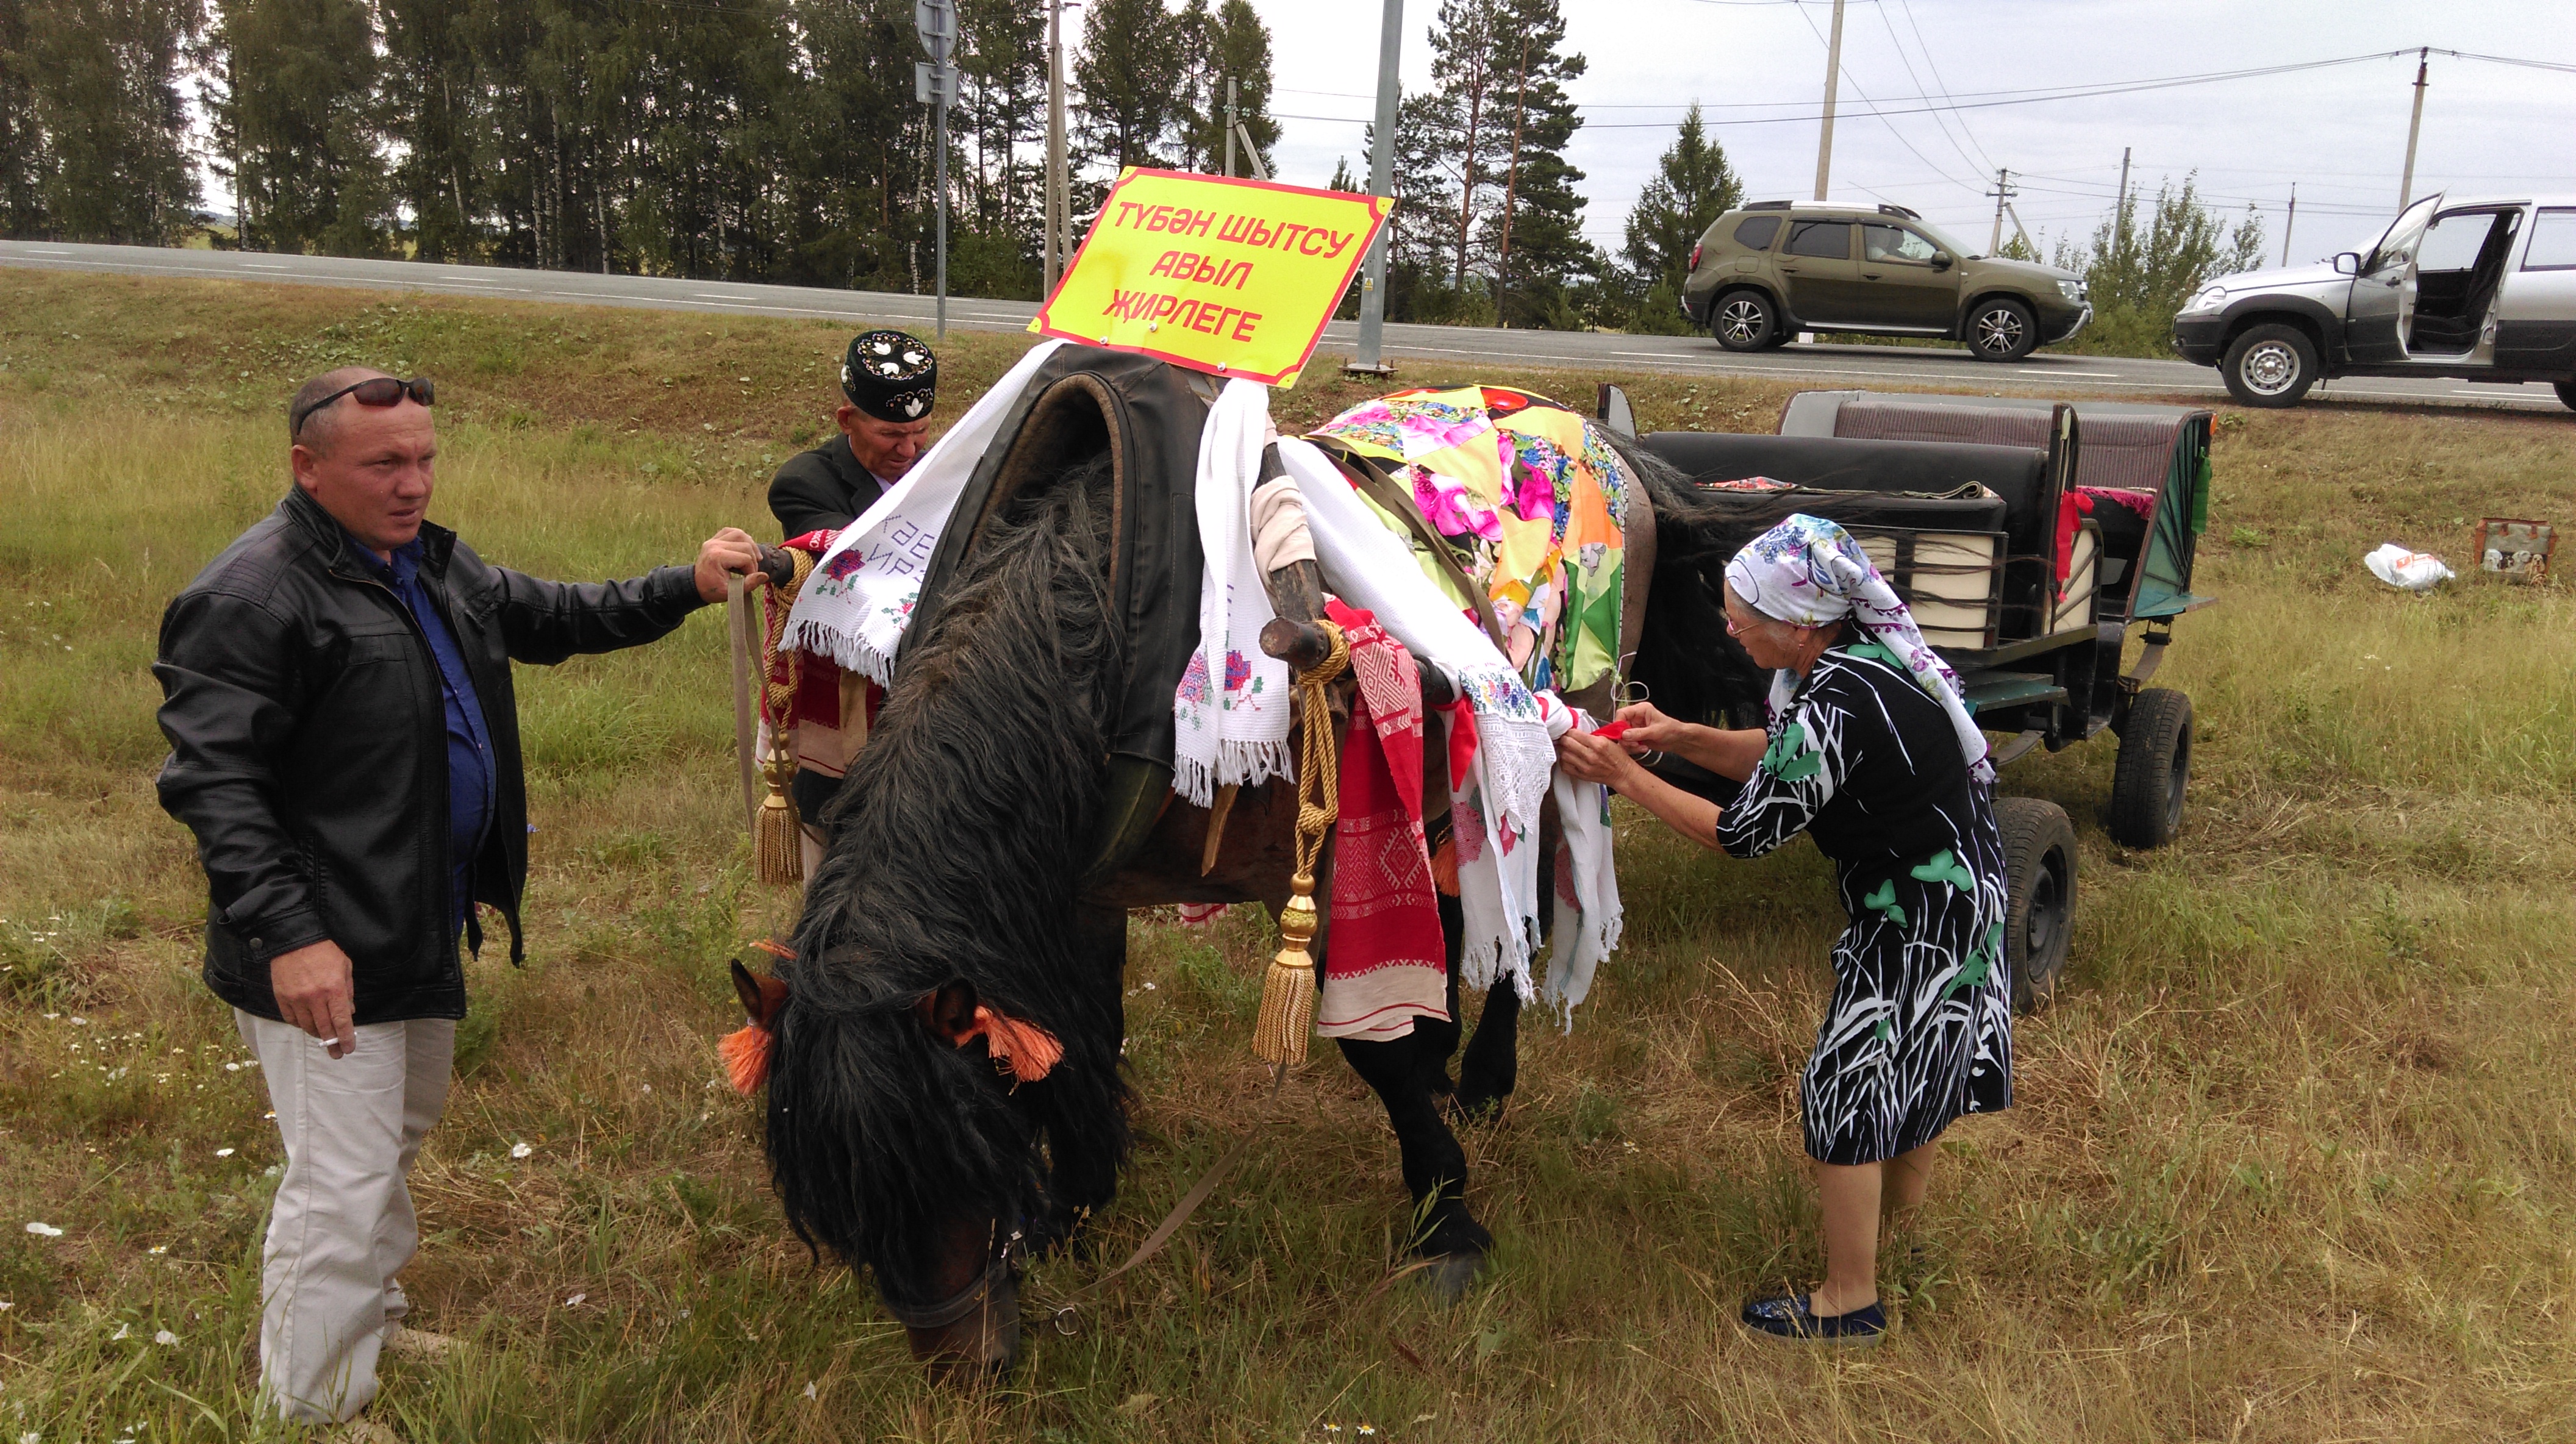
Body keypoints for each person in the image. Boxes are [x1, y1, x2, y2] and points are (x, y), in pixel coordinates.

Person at [152, 366, 765, 1426]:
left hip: (416, 920)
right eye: (384, 463)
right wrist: (293, 936)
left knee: (390, 1141)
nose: (413, 482)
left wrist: (687, 584)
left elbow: (555, 614)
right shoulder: (251, 595)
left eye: (425, 458)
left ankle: (368, 1320)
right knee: (339, 1181)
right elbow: (216, 785)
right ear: (308, 467)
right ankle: (312, 1406)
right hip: (323, 943)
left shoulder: (428, 563)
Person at [1553, 513, 2012, 1346]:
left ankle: (1850, 1299)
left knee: (1845, 1094)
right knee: (1920, 1073)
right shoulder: (1865, 664)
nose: (1731, 630)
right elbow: (1790, 755)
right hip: (1967, 896)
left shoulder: (1833, 699)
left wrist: (1622, 773)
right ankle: (1889, 1243)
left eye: (1742, 618)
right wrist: (1682, 740)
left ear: (1798, 622)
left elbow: (1741, 833)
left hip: (1916, 917)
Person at [767, 329, 939, 537]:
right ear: (847, 421)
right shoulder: (804, 484)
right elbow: (862, 552)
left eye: (921, 431)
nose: (909, 451)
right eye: (890, 435)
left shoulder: (939, 473)